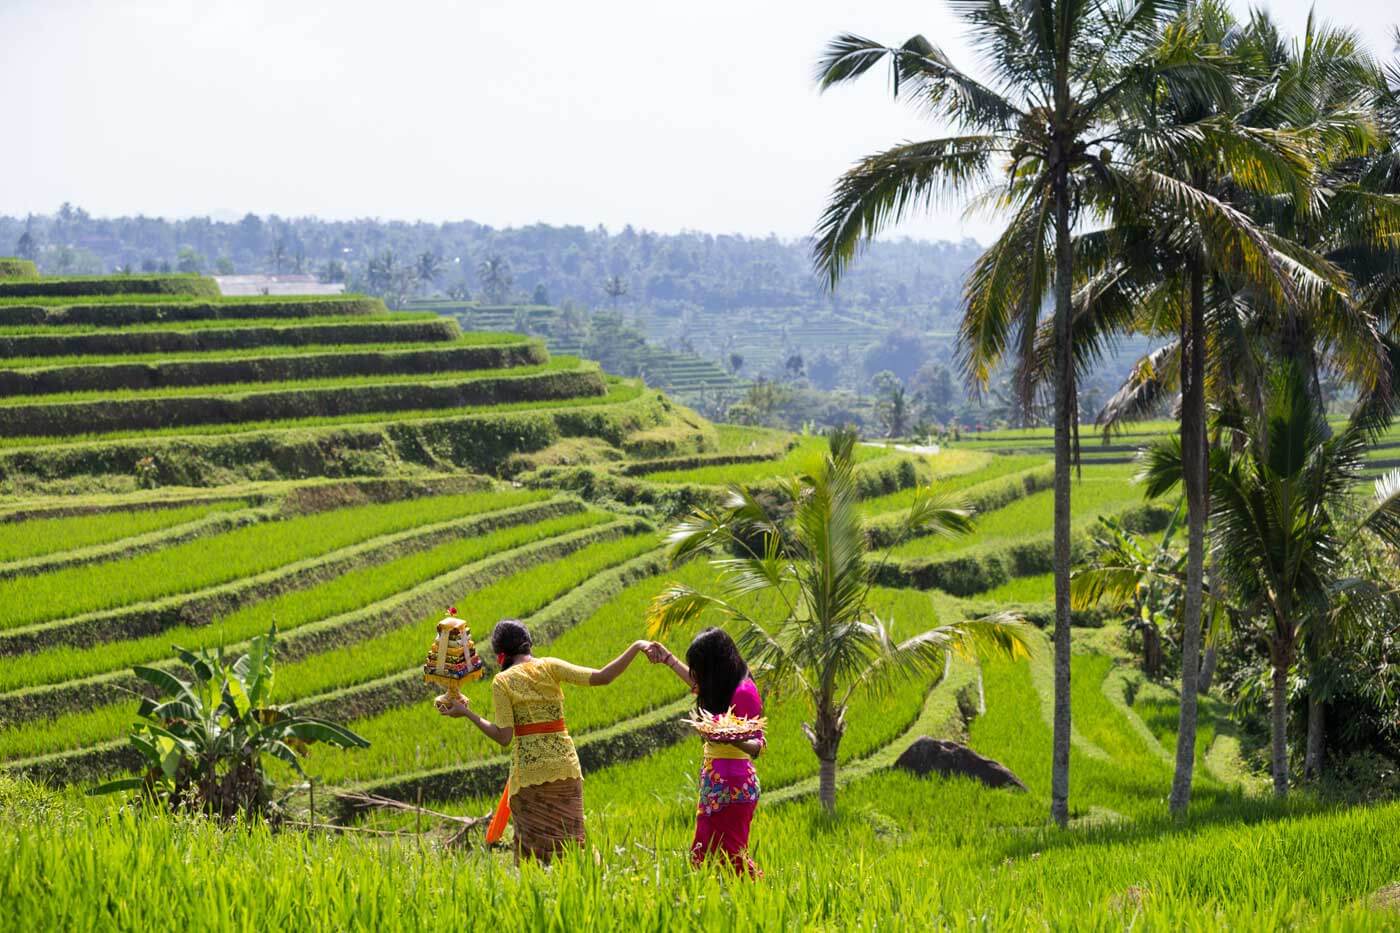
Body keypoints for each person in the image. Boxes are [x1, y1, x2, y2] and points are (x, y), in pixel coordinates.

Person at [438, 619, 653, 864]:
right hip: (566, 771)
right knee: (573, 846)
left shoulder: (503, 681)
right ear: (528, 644)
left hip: (530, 778)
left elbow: (504, 737)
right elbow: (604, 676)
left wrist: (466, 713)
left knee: (534, 860)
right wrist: (636, 646)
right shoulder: (550, 666)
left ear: (501, 654)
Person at [647, 628, 764, 876]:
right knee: (701, 855)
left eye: (701, 668)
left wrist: (733, 737)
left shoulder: (744, 693)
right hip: (714, 785)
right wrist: (668, 659)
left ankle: (763, 898)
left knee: (733, 857)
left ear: (716, 666)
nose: (697, 675)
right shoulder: (723, 686)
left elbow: (757, 745)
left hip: (735, 788)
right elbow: (703, 688)